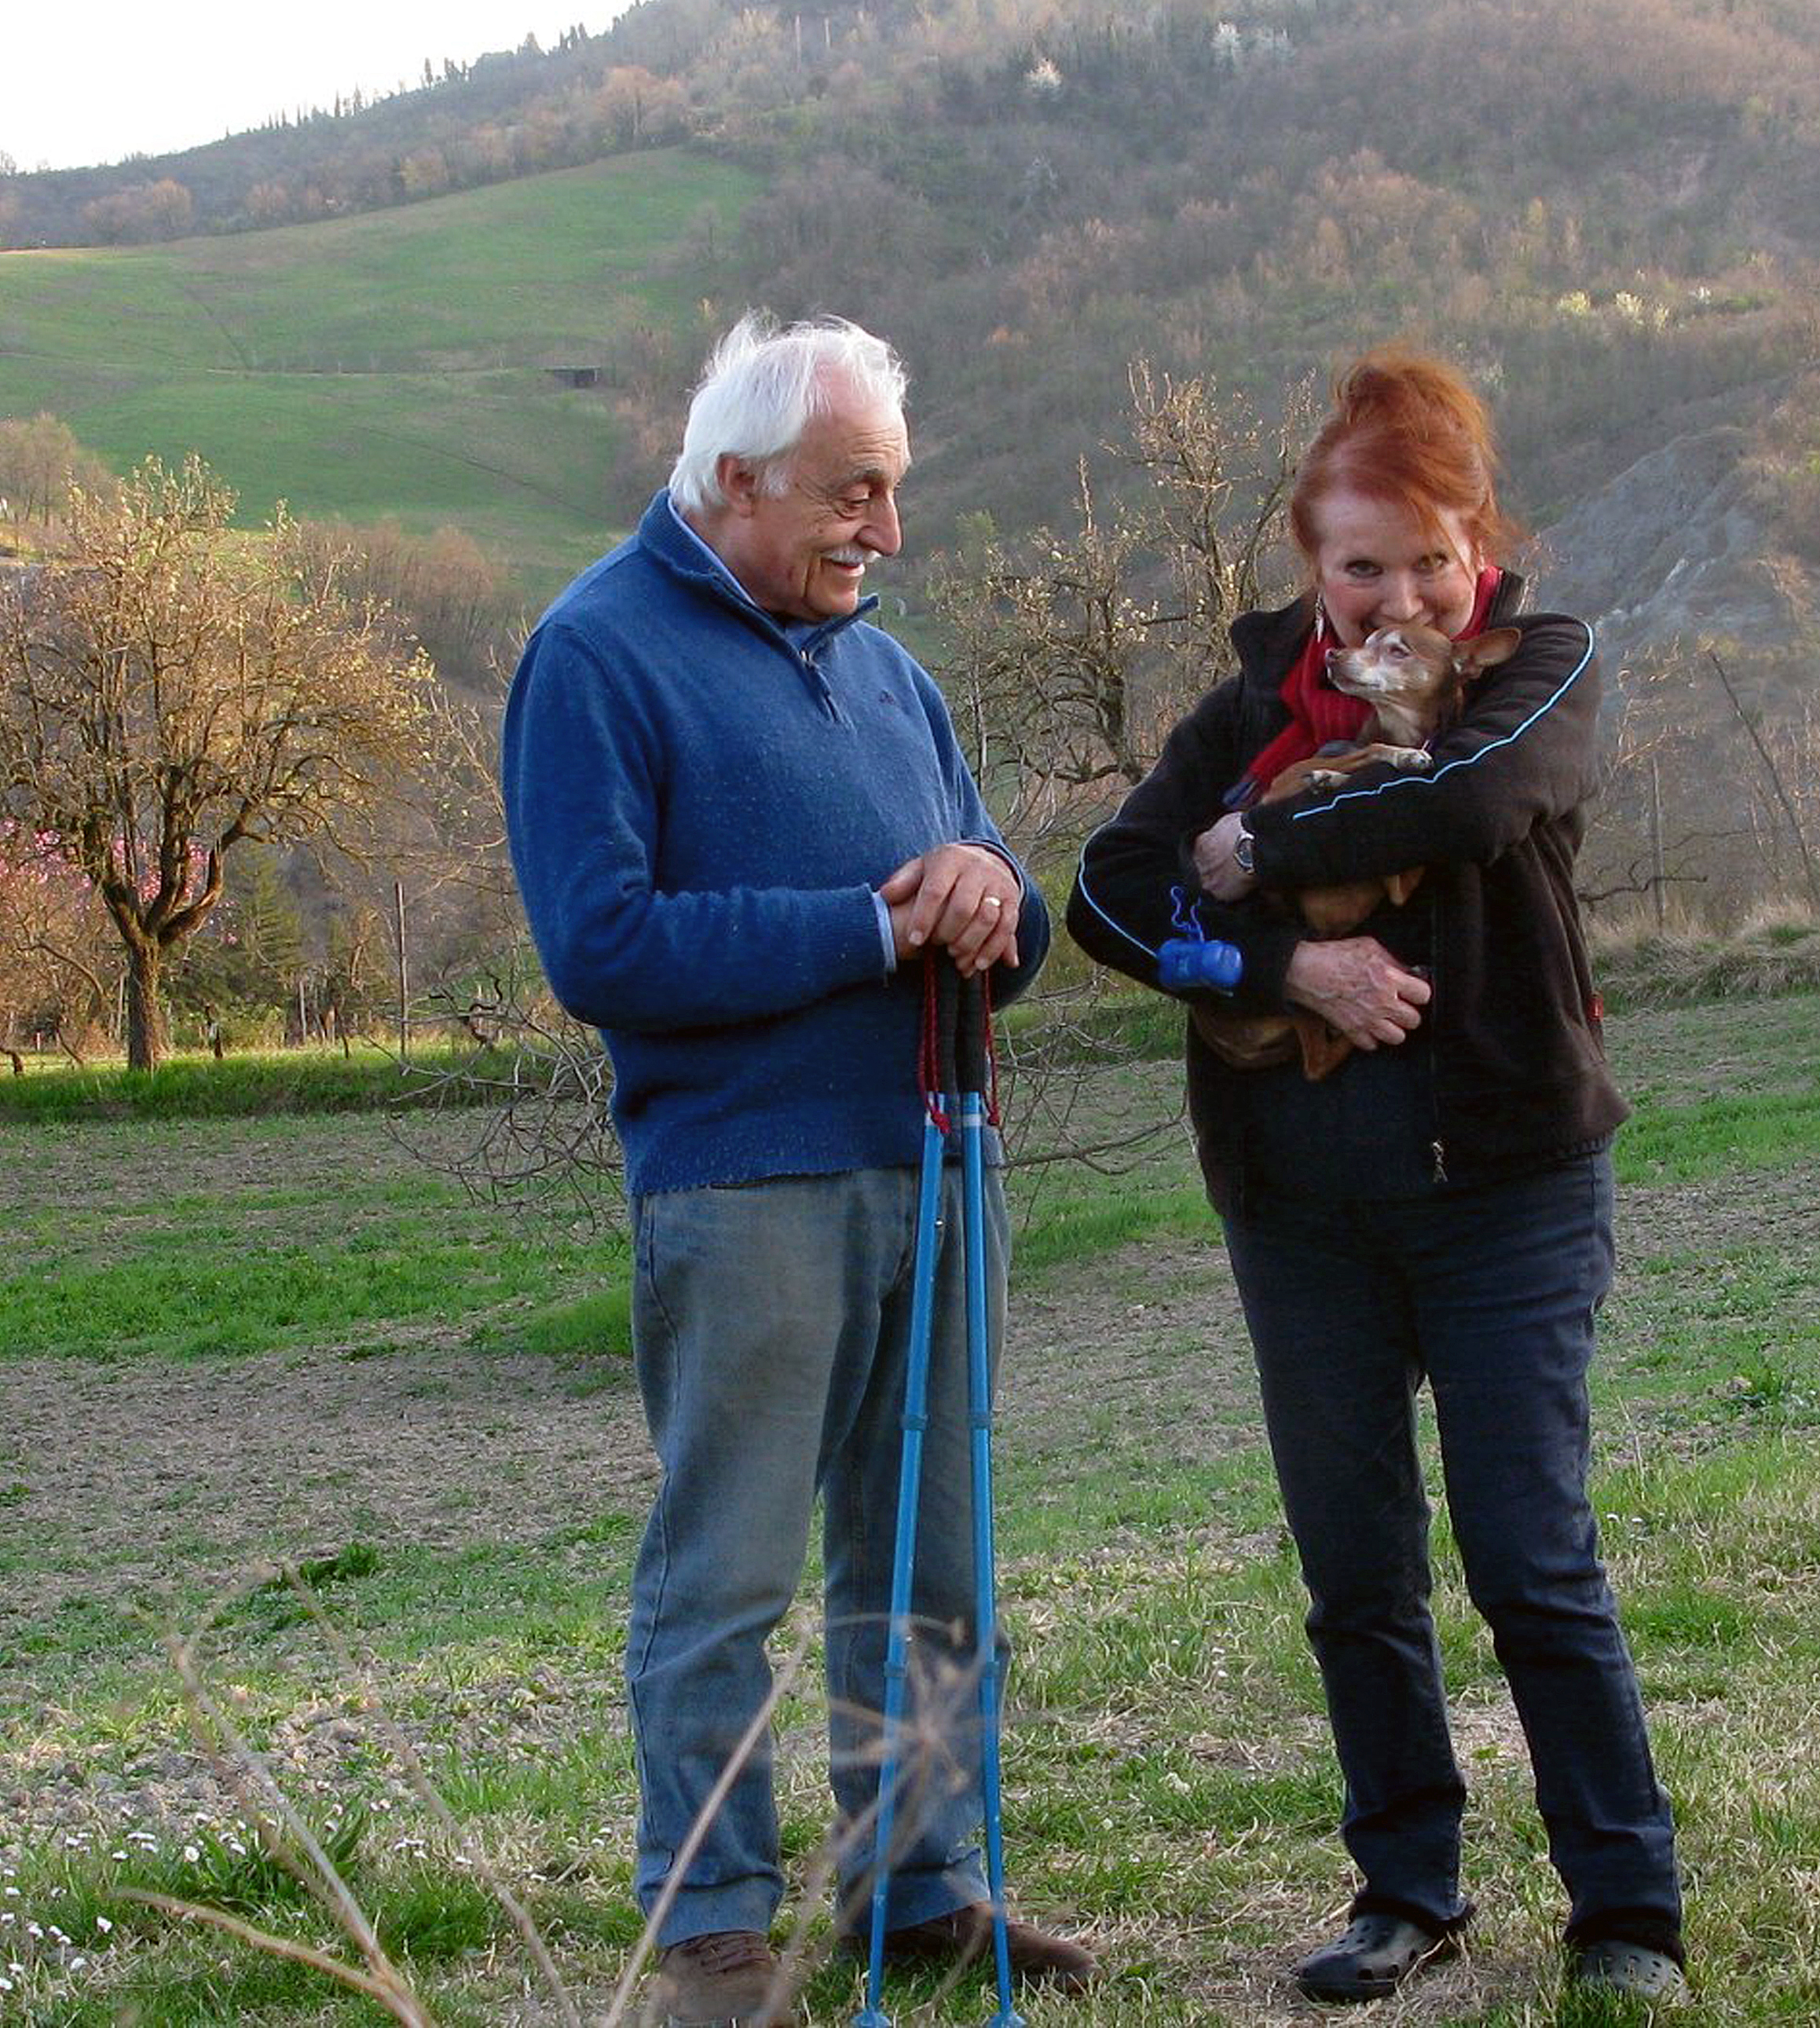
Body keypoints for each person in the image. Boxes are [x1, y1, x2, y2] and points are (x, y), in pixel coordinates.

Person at [1069, 347, 1686, 2006]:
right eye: (1360, 562)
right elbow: (1109, 894)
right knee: (1355, 1570)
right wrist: (1281, 971)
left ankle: (1626, 1913)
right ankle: (1404, 1892)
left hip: (1509, 1183)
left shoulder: (1538, 666)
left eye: (1430, 553)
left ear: (1477, 538)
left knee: (1527, 1553)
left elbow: (1473, 798)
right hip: (1300, 1207)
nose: (1397, 590)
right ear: (1310, 565)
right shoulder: (1250, 706)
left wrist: (1260, 846)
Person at [503, 313, 1097, 2028]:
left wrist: (996, 897)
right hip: (747, 1184)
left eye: (892, 496)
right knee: (729, 1574)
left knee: (930, 1563)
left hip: (944, 1161)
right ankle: (714, 1935)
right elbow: (599, 944)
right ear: (738, 478)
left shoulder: (888, 671)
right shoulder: (595, 654)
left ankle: (925, 1889)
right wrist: (865, 926)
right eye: (855, 495)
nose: (883, 536)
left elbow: (999, 906)